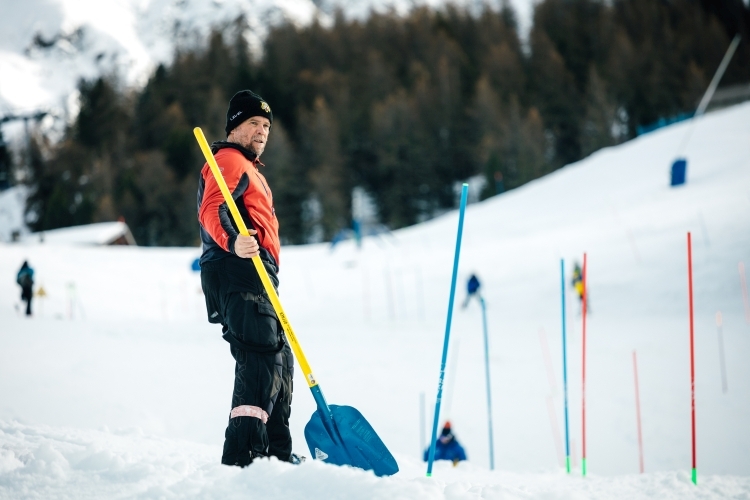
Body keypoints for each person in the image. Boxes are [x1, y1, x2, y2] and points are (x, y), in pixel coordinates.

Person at [197, 90, 298, 467]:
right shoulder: (228, 159)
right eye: (253, 123)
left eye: (266, 125)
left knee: (279, 362)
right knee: (260, 359)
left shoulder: (251, 168)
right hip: (237, 267)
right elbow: (213, 208)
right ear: (235, 126)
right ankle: (245, 458)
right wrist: (232, 240)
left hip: (257, 274)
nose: (261, 131)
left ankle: (276, 455)